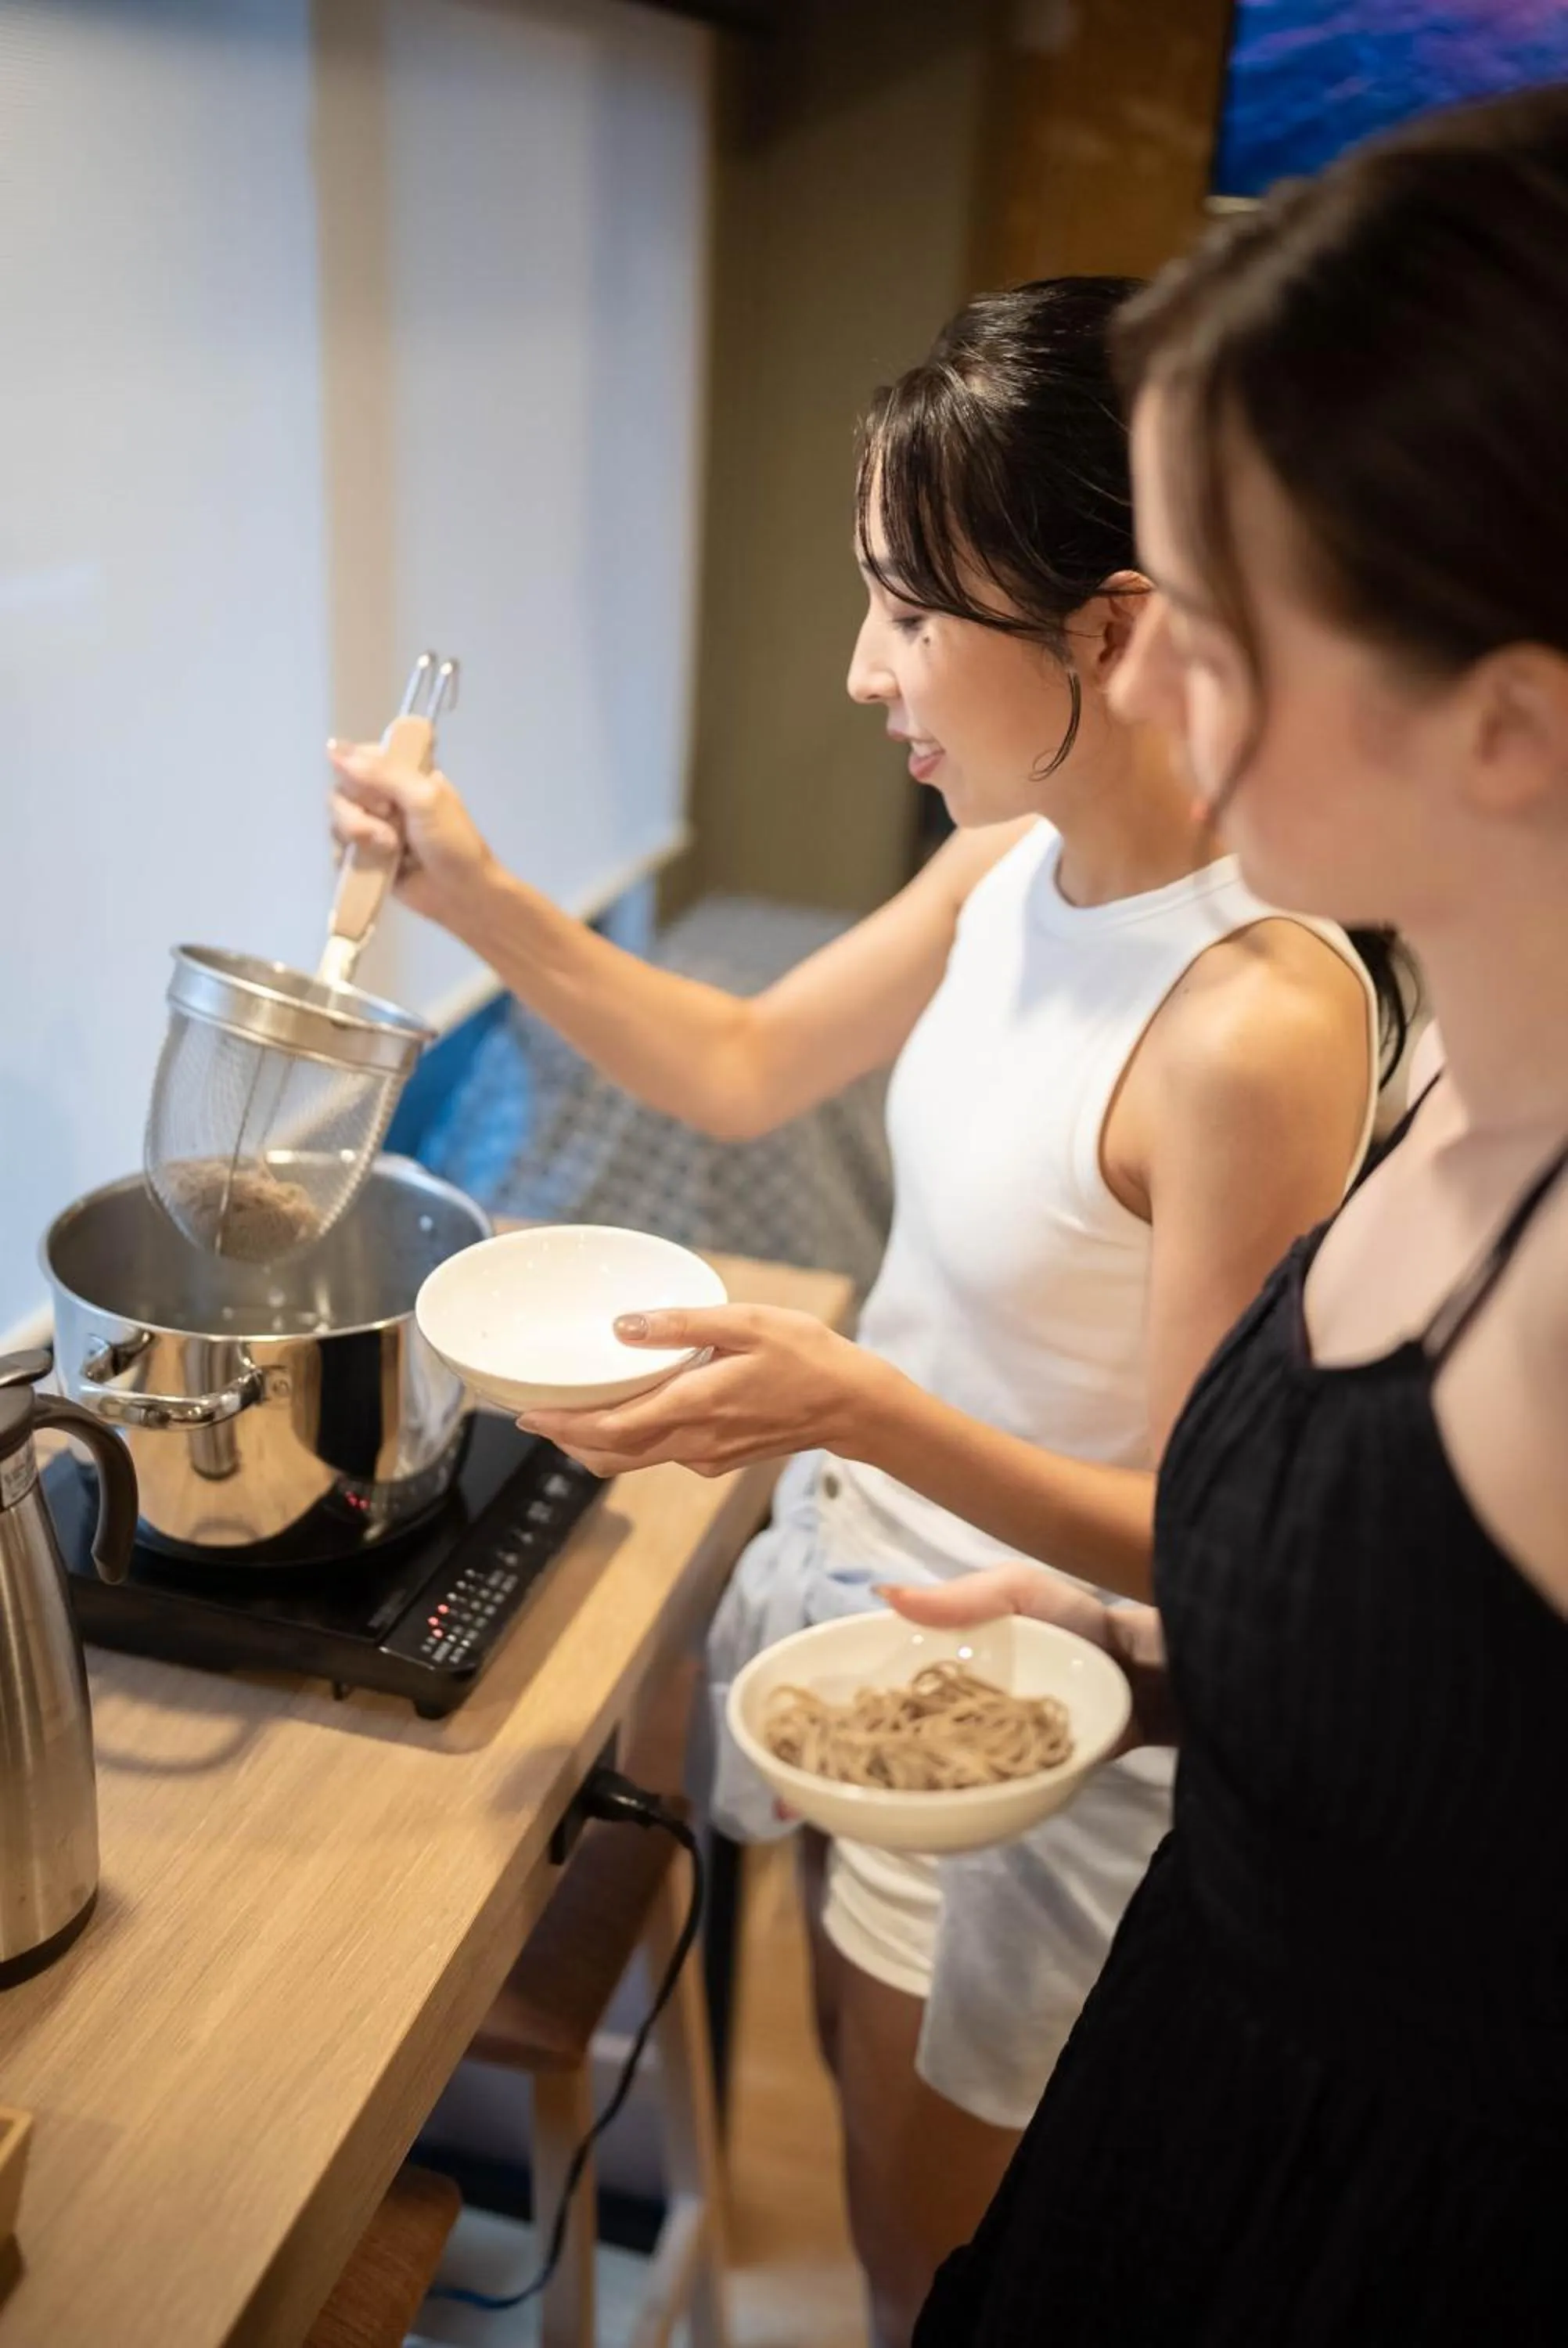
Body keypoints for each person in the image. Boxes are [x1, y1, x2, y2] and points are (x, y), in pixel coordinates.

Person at [329, 281, 1383, 2346]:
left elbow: (1209, 1544)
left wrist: (851, 1405)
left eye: (910, 610)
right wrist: (463, 893)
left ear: (1116, 626)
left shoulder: (1256, 1015)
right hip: (874, 1649)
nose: (857, 667)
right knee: (873, 2159)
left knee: (941, 2277)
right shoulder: (1012, 862)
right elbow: (735, 1063)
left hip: (1039, 1737)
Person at [855, 88, 1568, 2344]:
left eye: (1215, 617)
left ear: (1506, 721)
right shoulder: (1453, 1091)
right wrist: (1162, 1666)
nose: (1140, 676)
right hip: (1176, 2133)